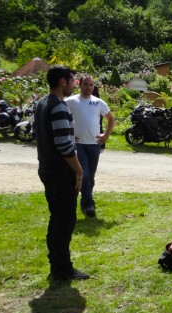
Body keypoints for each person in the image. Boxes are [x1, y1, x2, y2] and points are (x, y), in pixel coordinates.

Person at [34, 65, 89, 281]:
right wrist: (78, 170)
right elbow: (64, 145)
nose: (74, 84)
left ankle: (56, 263)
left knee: (56, 217)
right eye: (72, 80)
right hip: (60, 171)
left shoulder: (41, 103)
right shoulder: (58, 106)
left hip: (46, 167)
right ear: (62, 82)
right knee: (65, 219)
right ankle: (63, 268)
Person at [65, 75, 115, 218]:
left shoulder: (98, 102)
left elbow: (111, 119)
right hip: (78, 144)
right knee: (84, 175)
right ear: (79, 85)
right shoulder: (71, 102)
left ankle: (84, 203)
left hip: (94, 145)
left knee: (90, 177)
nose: (88, 87)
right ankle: (89, 205)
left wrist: (105, 135)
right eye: (85, 84)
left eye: (91, 85)